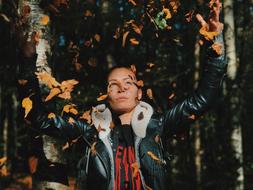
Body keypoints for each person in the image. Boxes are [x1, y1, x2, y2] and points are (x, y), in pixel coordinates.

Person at [18, 0, 226, 189]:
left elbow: (203, 99)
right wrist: (28, 62)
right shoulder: (91, 131)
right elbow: (38, 119)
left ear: (139, 93)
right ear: (106, 95)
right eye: (113, 84)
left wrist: (214, 44)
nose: (122, 88)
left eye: (129, 82)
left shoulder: (158, 126)